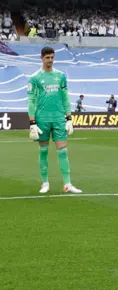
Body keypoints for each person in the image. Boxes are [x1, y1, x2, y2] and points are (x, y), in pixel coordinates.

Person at [27, 46, 82, 194]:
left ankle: (67, 183)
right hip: (42, 118)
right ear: (41, 58)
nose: (50, 60)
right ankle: (45, 183)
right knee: (43, 150)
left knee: (63, 151)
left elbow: (65, 97)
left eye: (52, 57)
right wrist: (32, 122)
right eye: (47, 58)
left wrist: (69, 117)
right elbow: (31, 100)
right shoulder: (35, 77)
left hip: (58, 118)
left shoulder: (60, 76)